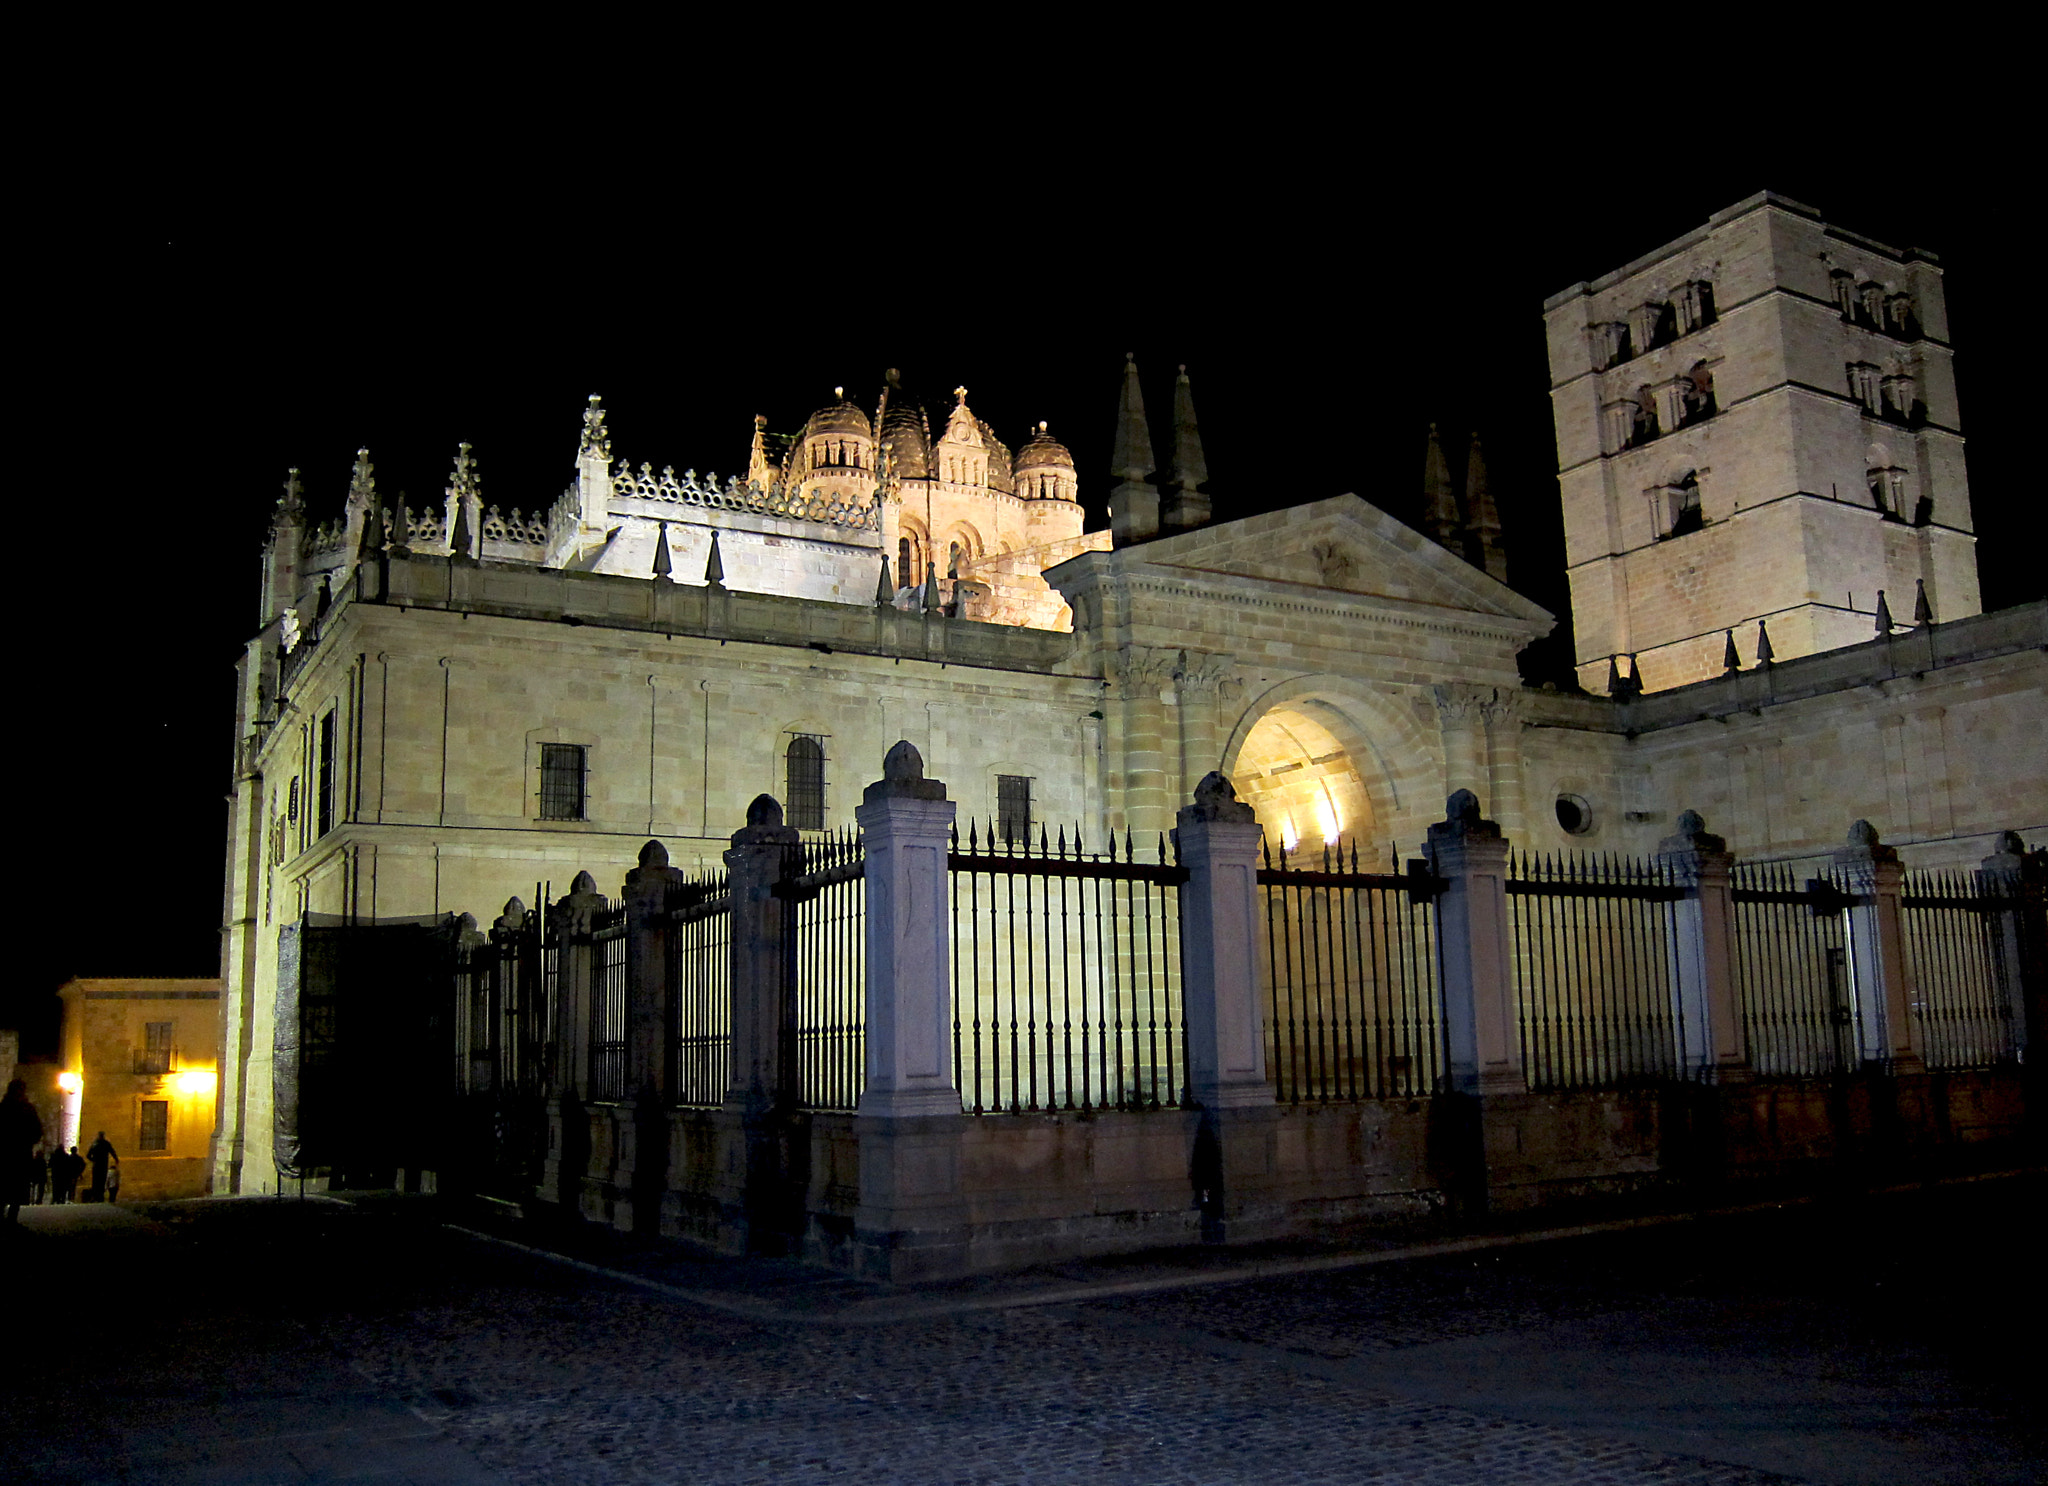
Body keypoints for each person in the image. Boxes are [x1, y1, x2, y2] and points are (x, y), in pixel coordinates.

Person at [1, 1079, 41, 1223]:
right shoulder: (27, 1108)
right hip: (20, 1154)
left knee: (6, 1186)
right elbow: (37, 1130)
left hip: (6, 1154)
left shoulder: (3, 1107)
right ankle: (11, 1218)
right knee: (16, 1187)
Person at [86, 1131, 116, 1203]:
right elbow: (112, 1151)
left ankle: (96, 1196)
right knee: (101, 1181)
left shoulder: (95, 1144)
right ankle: (100, 1196)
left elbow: (88, 1155)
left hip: (97, 1165)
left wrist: (94, 1160)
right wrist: (116, 1159)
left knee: (96, 1181)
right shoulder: (106, 1143)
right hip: (103, 1165)